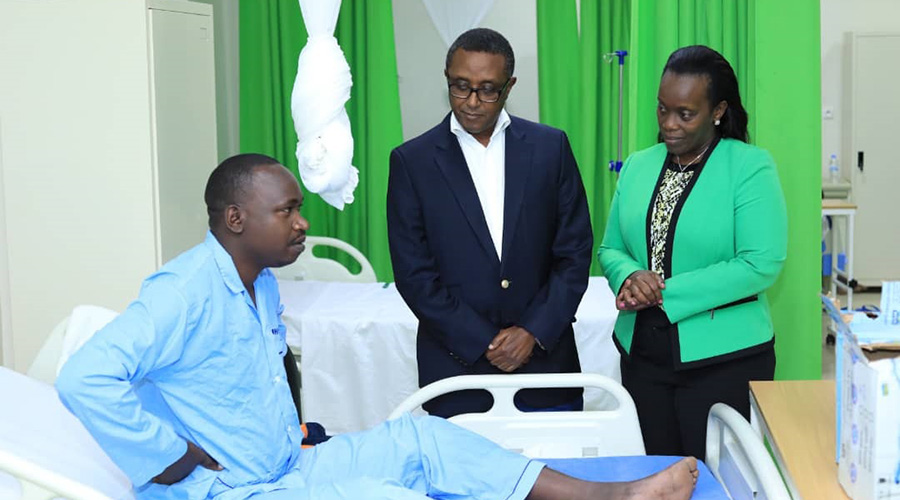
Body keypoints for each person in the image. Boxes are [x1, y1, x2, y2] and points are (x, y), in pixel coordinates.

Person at [56, 153, 698, 500]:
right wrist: (168, 457)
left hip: (288, 465)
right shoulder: (185, 291)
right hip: (234, 491)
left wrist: (295, 432)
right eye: (287, 211)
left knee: (430, 442)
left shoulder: (259, 282)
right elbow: (86, 377)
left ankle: (612, 499)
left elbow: (238, 383)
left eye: (299, 209)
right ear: (235, 219)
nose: (302, 223)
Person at [386, 28, 593, 418]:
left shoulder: (551, 148)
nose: (472, 102)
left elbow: (574, 252)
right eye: (460, 86)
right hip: (456, 370)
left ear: (509, 86)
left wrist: (532, 332)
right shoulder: (412, 162)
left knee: (561, 475)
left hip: (545, 365)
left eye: (488, 89)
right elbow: (414, 274)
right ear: (446, 76)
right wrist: (484, 341)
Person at [597, 45, 788, 460]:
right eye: (662, 110)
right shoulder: (637, 164)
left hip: (723, 359)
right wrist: (630, 276)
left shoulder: (749, 166)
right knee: (657, 476)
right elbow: (610, 246)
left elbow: (761, 262)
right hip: (643, 354)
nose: (669, 124)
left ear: (718, 110)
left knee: (715, 480)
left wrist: (664, 291)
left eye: (686, 114)